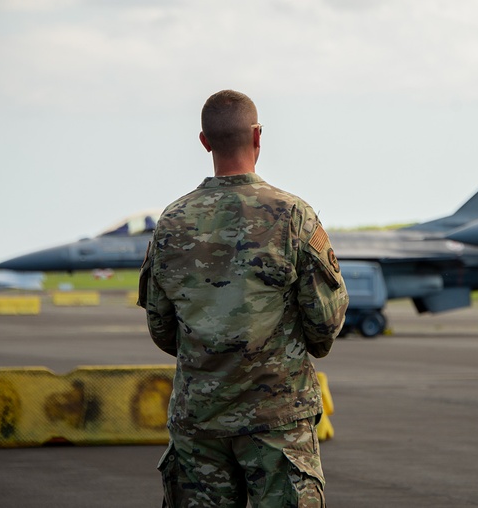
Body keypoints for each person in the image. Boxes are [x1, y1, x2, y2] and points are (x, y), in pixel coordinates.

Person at [138, 89, 349, 507]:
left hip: (199, 420)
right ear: (257, 137)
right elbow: (324, 323)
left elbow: (161, 328)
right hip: (277, 422)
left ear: (204, 141)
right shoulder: (292, 215)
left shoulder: (172, 222)